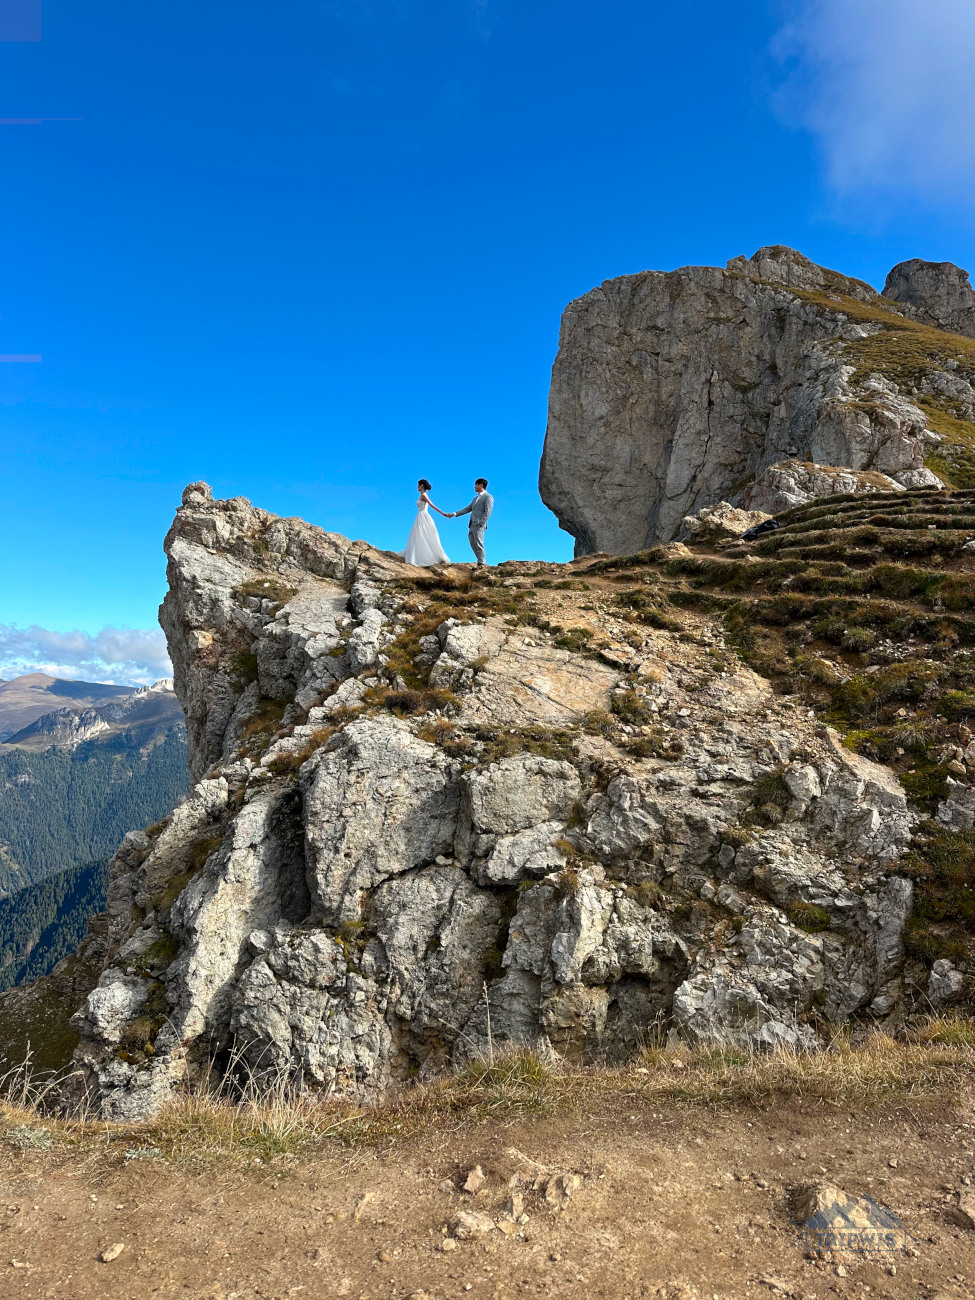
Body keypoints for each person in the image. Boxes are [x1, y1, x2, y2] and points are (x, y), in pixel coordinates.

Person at [400, 479, 450, 566]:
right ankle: (418, 555)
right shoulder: (422, 495)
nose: (417, 487)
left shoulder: (424, 495)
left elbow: (432, 505)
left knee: (422, 535)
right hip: (420, 516)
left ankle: (423, 557)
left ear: (422, 486)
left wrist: (443, 513)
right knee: (418, 536)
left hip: (423, 516)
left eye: (418, 485)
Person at [446, 478, 494, 567]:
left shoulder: (488, 497)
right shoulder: (475, 498)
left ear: (481, 485)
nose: (474, 487)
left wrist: (481, 522)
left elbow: (488, 511)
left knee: (479, 542)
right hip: (472, 524)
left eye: (476, 485)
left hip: (479, 524)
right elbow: (467, 509)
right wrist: (453, 514)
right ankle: (480, 559)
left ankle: (481, 562)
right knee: (472, 542)